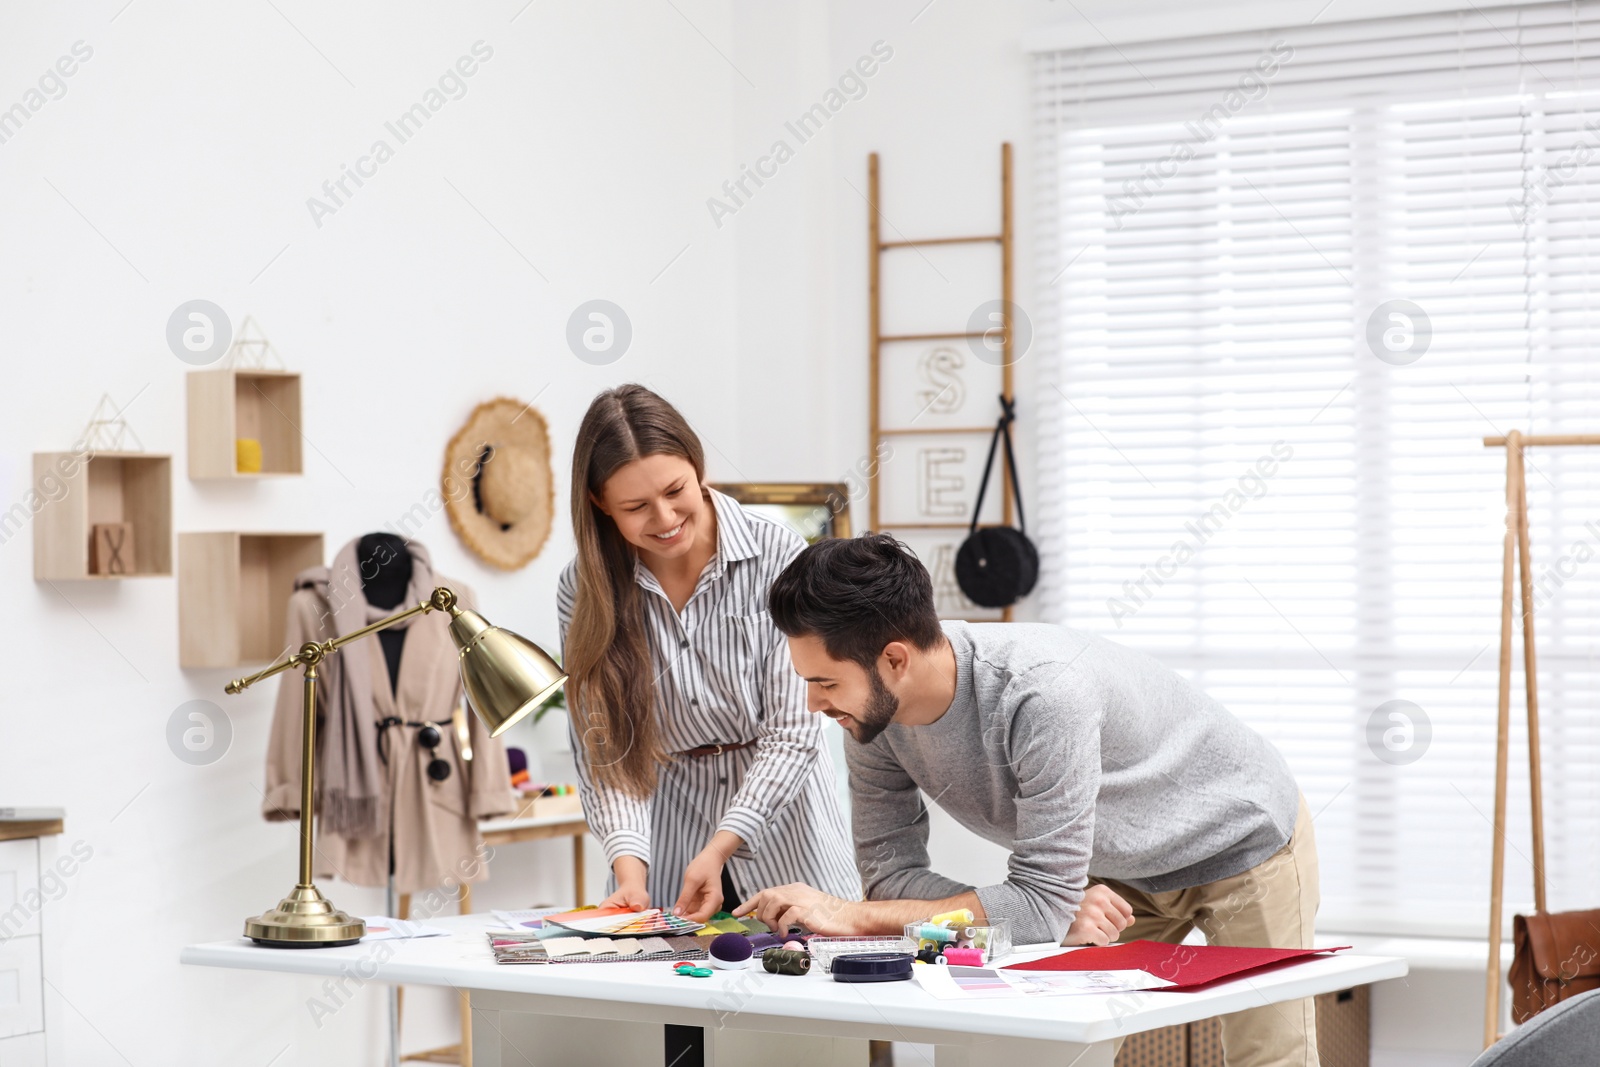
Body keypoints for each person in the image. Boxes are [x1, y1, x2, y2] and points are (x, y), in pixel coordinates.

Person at [737, 533, 1322, 1067]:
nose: (813, 704)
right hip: (1111, 872)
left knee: (1269, 1058)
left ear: (894, 659)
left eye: (826, 682)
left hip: (1241, 840)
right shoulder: (871, 719)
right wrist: (1038, 910)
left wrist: (853, 916)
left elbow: (1034, 907)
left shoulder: (1039, 693)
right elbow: (892, 880)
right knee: (1055, 1048)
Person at [556, 383, 859, 922]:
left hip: (788, 833)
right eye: (635, 506)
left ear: (699, 469)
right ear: (601, 504)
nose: (665, 517)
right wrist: (630, 871)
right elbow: (606, 749)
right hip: (666, 845)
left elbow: (793, 732)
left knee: (810, 988)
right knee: (680, 1001)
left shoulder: (776, 556)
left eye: (675, 490)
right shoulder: (583, 589)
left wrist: (722, 846)